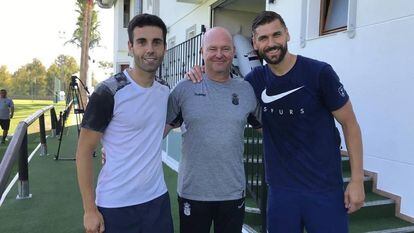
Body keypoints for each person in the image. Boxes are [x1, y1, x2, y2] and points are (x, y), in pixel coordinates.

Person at [188, 11, 365, 233]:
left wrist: (357, 179)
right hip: (281, 193)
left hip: (324, 189)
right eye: (263, 38)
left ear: (287, 35)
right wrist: (200, 71)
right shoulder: (254, 81)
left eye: (276, 35)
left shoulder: (319, 73)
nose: (271, 43)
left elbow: (350, 124)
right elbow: (224, 86)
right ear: (254, 43)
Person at [76, 14, 173, 233]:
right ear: (130, 47)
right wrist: (89, 209)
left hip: (157, 200)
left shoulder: (165, 90)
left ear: (164, 48)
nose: (150, 49)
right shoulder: (108, 92)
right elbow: (84, 151)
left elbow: (155, 128)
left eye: (156, 42)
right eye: (142, 42)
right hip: (116, 204)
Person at [165, 27, 261, 233]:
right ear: (202, 52)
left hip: (233, 192)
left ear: (234, 51)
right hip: (193, 193)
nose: (219, 54)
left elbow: (268, 130)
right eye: (212, 48)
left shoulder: (245, 90)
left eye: (225, 48)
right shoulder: (184, 89)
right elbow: (156, 132)